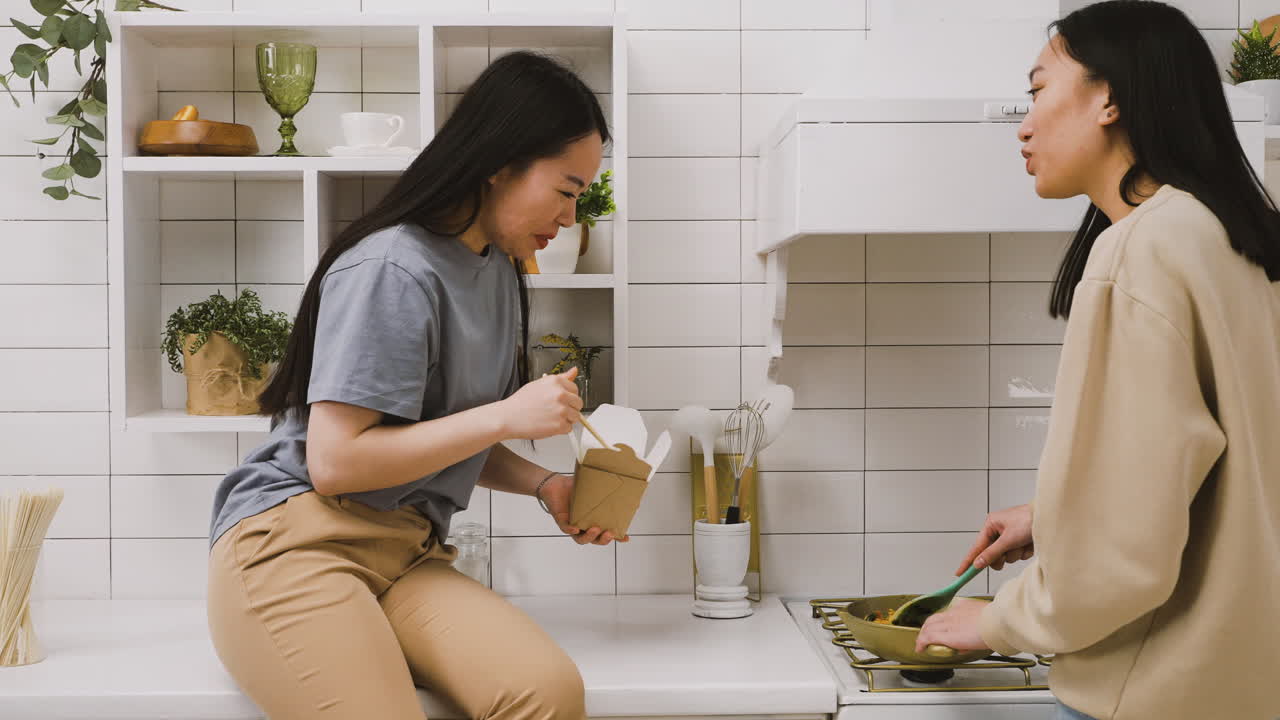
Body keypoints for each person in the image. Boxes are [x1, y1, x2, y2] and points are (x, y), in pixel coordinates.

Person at [206, 51, 619, 720]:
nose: (570, 217)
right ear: (502, 162)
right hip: (294, 545)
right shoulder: (392, 268)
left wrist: (546, 487)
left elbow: (435, 433)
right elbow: (337, 464)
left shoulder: (495, 272)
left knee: (548, 693)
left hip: (407, 551)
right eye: (567, 190)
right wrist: (505, 417)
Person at [914, 3, 1280, 720]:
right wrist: (1054, 515)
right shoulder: (1235, 238)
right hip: (1245, 681)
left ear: (1108, 97)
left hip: (1153, 691)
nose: (1023, 123)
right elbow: (1221, 476)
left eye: (1039, 90)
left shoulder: (1140, 249)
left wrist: (998, 622)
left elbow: (1123, 552)